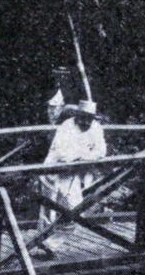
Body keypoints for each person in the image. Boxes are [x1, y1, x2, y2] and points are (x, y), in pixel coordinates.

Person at [36, 100, 107, 256]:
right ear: (77, 115)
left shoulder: (96, 127)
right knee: (49, 212)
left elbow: (101, 151)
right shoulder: (66, 127)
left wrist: (83, 157)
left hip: (73, 176)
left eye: (90, 118)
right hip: (54, 173)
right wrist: (86, 157)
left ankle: (50, 245)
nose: (86, 121)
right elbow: (63, 155)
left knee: (75, 212)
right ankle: (41, 246)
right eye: (83, 117)